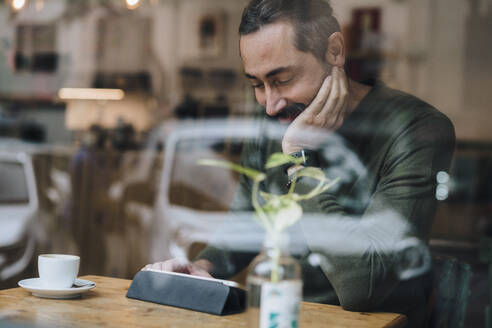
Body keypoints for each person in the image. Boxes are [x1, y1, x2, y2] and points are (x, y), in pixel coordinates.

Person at [144, 0, 455, 326]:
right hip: (286, 316)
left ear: (334, 52)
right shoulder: (272, 123)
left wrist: (300, 159)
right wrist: (202, 267)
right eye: (256, 84)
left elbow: (364, 286)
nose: (269, 105)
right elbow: (246, 223)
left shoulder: (416, 129)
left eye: (282, 79)